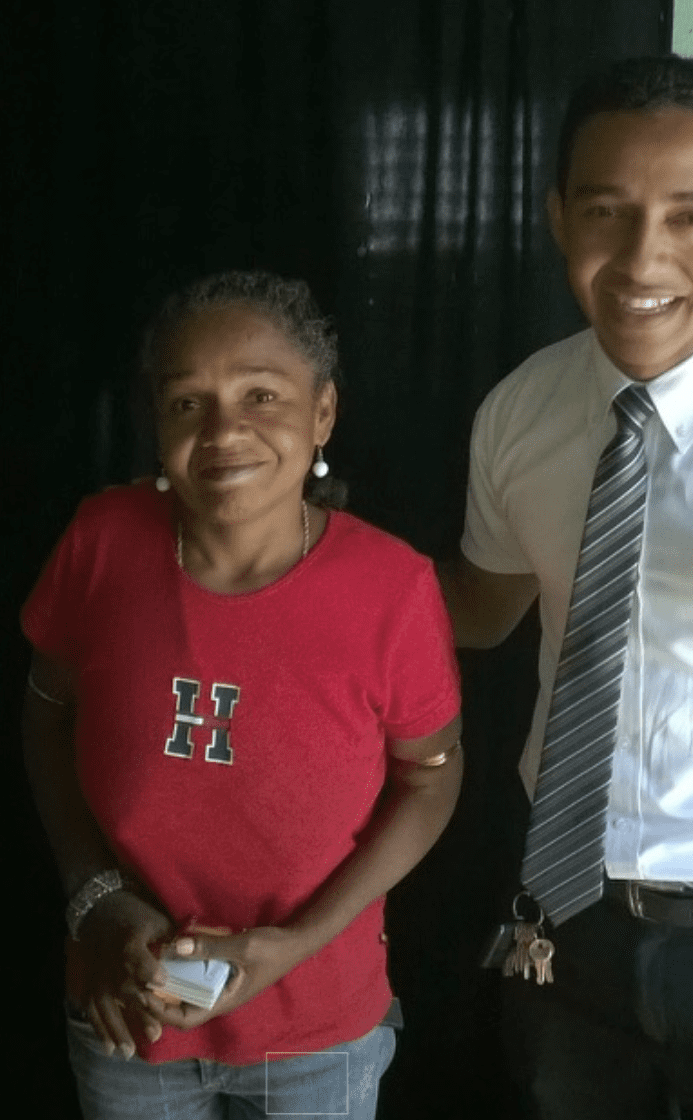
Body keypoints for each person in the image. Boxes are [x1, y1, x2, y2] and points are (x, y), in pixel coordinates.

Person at [442, 55, 693, 1119]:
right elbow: (476, 614)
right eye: (606, 212)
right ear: (555, 219)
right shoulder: (518, 414)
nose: (641, 256)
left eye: (688, 217)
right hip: (561, 924)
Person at [21, 269, 462, 1120]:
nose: (225, 429)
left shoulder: (392, 587)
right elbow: (46, 715)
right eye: (189, 403)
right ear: (157, 424)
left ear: (322, 413)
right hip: (128, 1008)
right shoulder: (101, 543)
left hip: (315, 1029)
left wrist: (291, 945)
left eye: (261, 394)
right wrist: (96, 901)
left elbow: (433, 779)